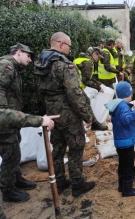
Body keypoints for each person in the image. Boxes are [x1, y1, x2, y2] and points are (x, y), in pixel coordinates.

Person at [33, 32, 95, 198]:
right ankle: (77, 183)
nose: (69, 49)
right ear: (61, 44)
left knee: (58, 148)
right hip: (68, 114)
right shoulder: (63, 65)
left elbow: (40, 91)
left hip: (52, 114)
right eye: (69, 45)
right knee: (76, 146)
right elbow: (74, 93)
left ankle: (59, 181)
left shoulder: (40, 63)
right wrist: (86, 115)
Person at [0, 101, 59, 218]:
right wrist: (38, 120)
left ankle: (16, 179)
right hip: (3, 128)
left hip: (10, 125)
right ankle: (7, 189)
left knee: (15, 155)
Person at [0, 43, 39, 203]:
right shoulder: (6, 66)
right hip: (3, 122)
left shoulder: (12, 67)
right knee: (10, 155)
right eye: (28, 55)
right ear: (18, 52)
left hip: (9, 120)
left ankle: (17, 179)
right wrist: (6, 119)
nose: (30, 60)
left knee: (15, 151)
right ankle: (8, 190)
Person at [104, 81, 135, 197]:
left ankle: (121, 186)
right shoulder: (123, 106)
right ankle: (127, 190)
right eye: (131, 93)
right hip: (126, 142)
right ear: (127, 95)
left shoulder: (118, 105)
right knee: (128, 167)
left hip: (120, 141)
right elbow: (126, 119)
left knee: (122, 165)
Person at [73, 48, 108, 131]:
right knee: (85, 104)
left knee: (85, 103)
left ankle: (93, 123)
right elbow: (86, 81)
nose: (98, 60)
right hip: (78, 87)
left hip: (74, 85)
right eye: (98, 57)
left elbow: (87, 77)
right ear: (94, 54)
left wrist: (98, 83)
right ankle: (92, 123)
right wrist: (98, 88)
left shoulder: (80, 60)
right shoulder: (89, 63)